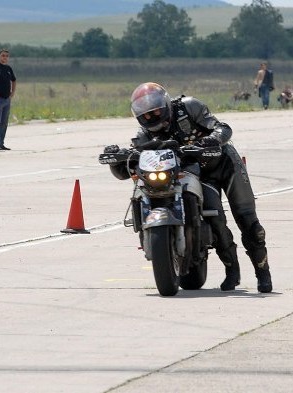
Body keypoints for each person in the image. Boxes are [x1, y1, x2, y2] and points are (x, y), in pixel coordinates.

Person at [104, 82, 272, 293]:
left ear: (165, 104)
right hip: (196, 174)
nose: (152, 117)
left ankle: (263, 272)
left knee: (248, 220)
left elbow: (223, 127)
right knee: (215, 218)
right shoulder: (144, 135)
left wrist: (213, 138)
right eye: (146, 115)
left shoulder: (188, 106)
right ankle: (232, 270)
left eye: (156, 111)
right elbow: (127, 168)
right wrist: (116, 158)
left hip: (223, 164)